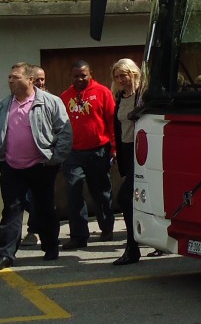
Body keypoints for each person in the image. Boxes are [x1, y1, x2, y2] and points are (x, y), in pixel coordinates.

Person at [0, 62, 72, 271]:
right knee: (11, 210)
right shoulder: (3, 105)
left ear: (30, 80)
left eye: (15, 77)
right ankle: (5, 254)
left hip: (41, 166)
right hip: (11, 167)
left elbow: (64, 131)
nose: (10, 80)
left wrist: (54, 158)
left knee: (45, 208)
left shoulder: (50, 102)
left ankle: (51, 247)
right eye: (9, 77)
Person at [60, 60, 116, 249]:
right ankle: (78, 236)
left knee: (100, 192)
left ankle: (106, 228)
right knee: (74, 191)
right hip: (73, 152)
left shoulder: (103, 92)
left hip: (98, 150)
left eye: (83, 75)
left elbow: (112, 121)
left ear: (90, 74)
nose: (79, 79)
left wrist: (114, 148)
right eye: (75, 76)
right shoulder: (65, 97)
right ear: (71, 76)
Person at [110, 58, 144, 266]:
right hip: (127, 152)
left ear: (133, 73)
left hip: (143, 152)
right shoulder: (120, 97)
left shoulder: (143, 96)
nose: (120, 79)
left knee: (124, 197)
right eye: (117, 76)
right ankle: (136, 245)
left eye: (123, 75)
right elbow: (119, 128)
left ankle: (132, 247)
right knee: (135, 199)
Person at [18, 65, 49, 248]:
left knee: (39, 197)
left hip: (44, 160)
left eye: (43, 79)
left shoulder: (51, 101)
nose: (40, 82)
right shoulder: (19, 101)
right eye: (37, 79)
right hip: (21, 160)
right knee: (26, 198)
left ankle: (37, 232)